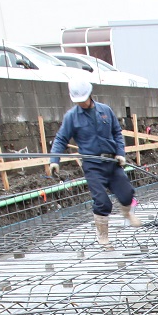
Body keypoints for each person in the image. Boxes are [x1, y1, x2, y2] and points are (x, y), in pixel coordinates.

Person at [48, 78, 140, 247]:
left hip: (111, 161)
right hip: (92, 164)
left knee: (127, 193)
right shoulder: (71, 117)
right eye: (78, 101)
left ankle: (127, 213)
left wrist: (120, 153)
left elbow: (117, 133)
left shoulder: (105, 111)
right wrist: (55, 160)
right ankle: (103, 236)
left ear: (90, 95)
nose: (81, 103)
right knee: (102, 201)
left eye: (83, 99)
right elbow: (61, 139)